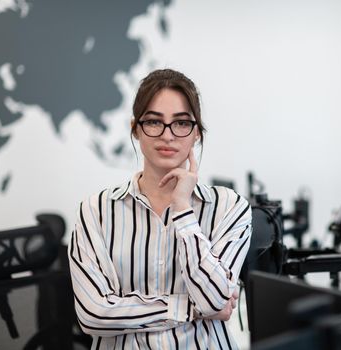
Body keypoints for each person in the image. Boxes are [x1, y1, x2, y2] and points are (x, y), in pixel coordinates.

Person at [68, 68, 252, 349]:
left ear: (197, 135)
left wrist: (183, 210)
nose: (167, 135)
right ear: (136, 129)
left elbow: (215, 300)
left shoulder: (230, 208)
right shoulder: (96, 212)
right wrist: (187, 308)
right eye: (154, 122)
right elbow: (94, 315)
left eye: (181, 123)